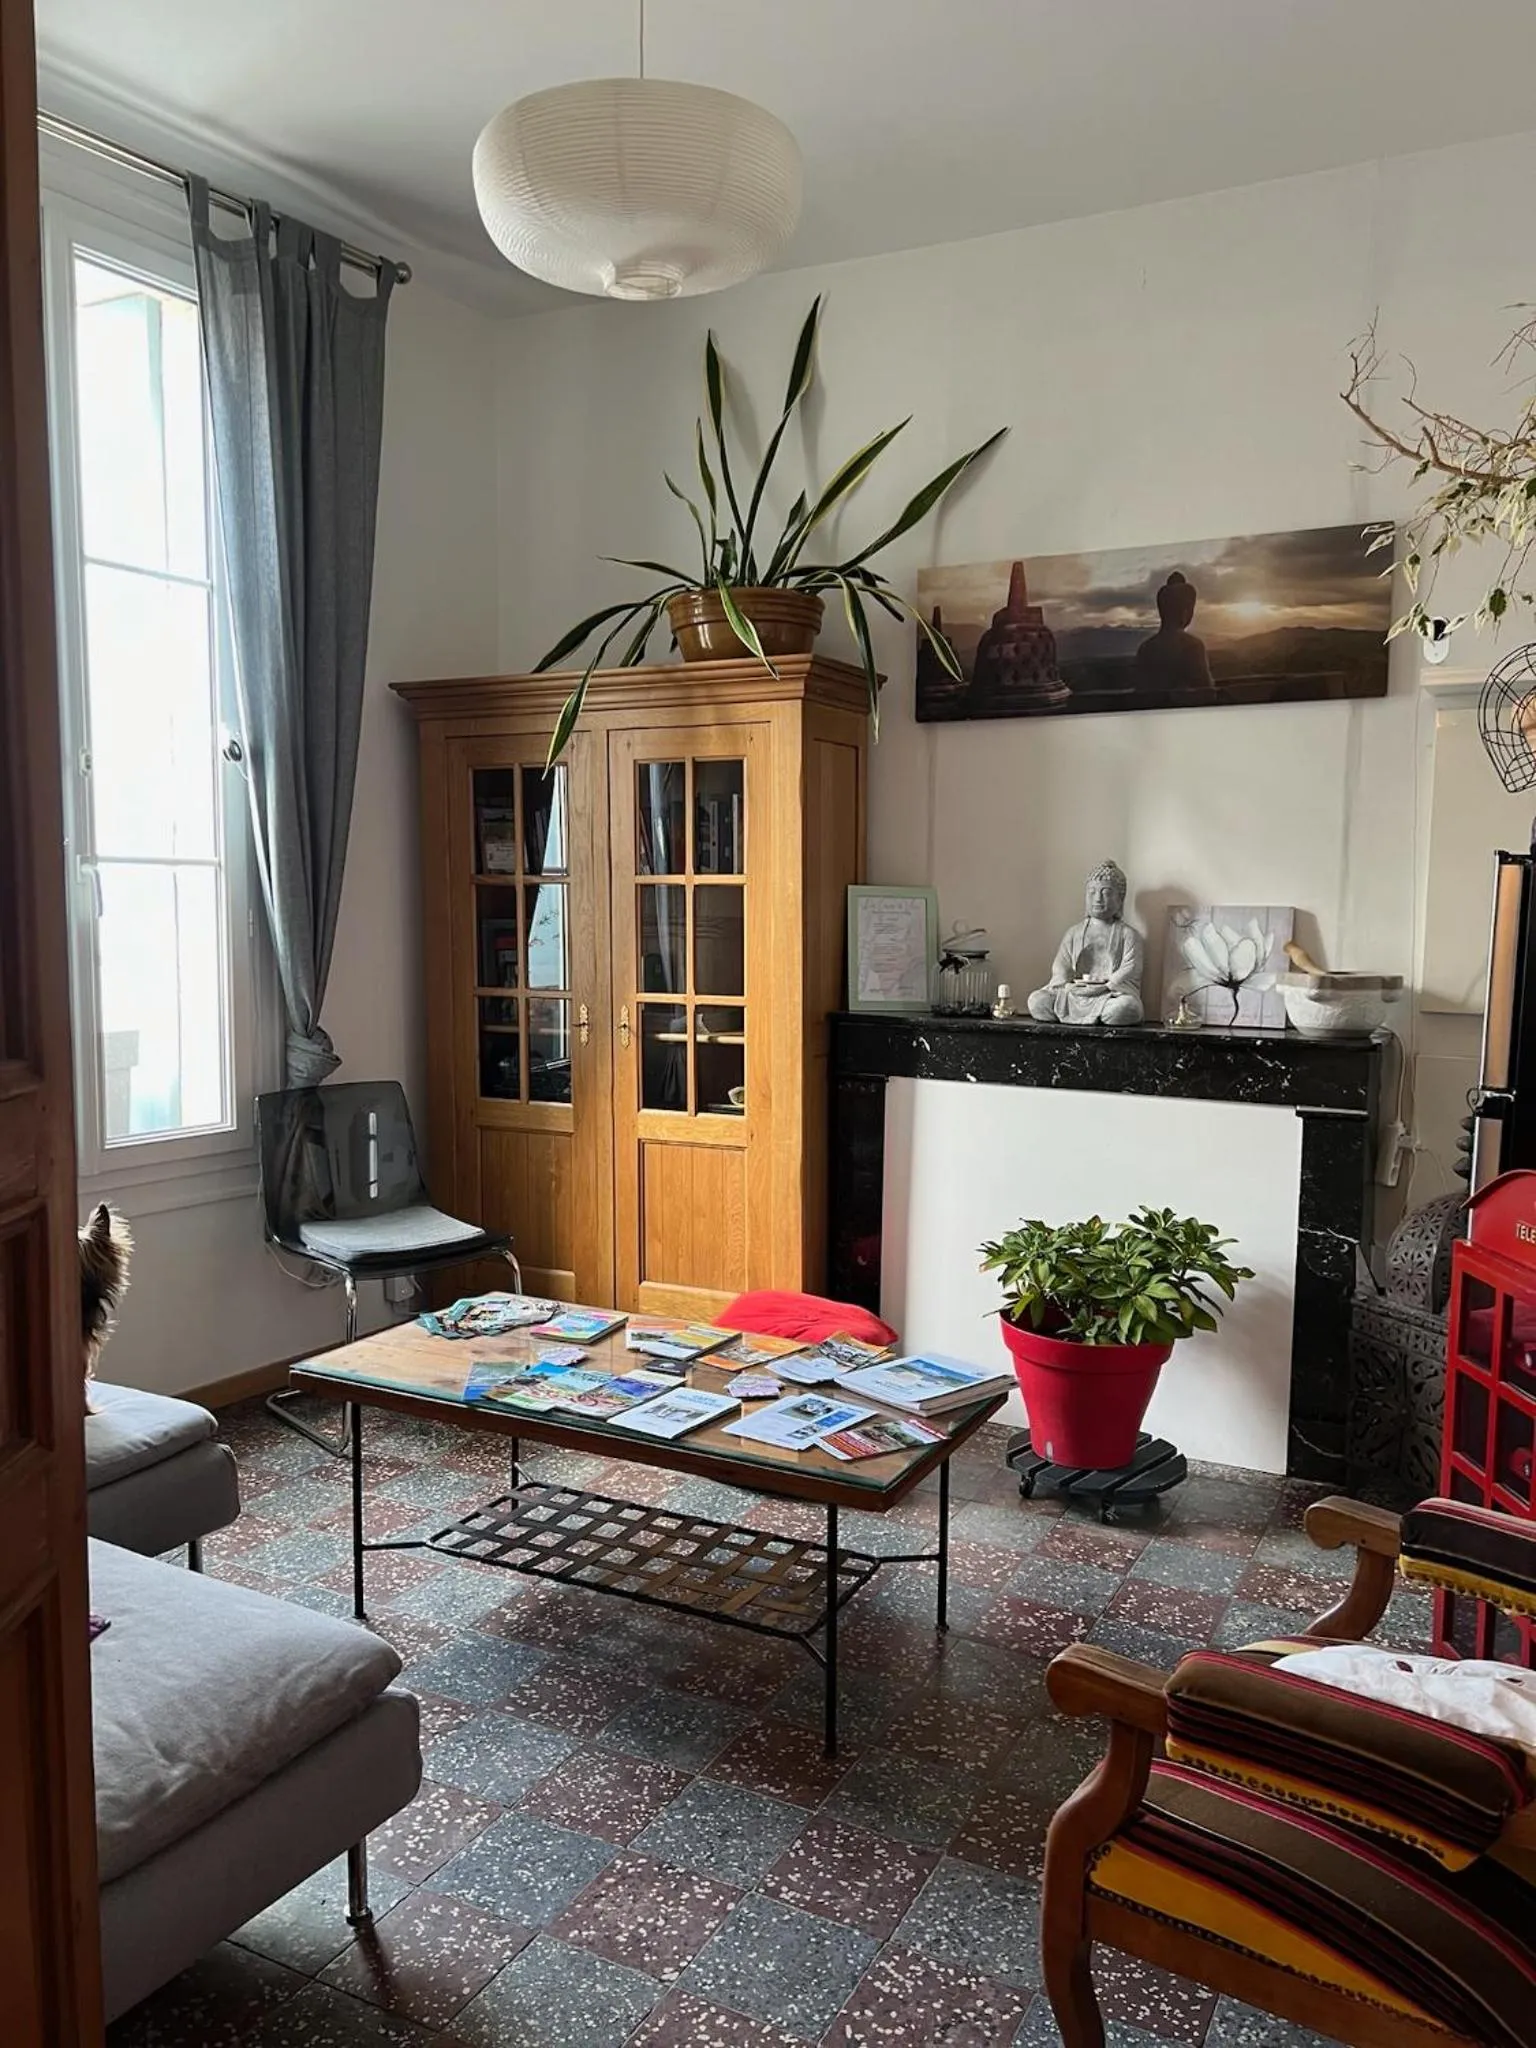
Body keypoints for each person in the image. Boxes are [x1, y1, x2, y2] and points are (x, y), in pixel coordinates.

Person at [1027, 860, 1145, 1025]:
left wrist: (1107, 985)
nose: (1098, 898)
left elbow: (1131, 968)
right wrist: (1067, 984)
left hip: (1109, 995)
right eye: (1092, 892)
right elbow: (1061, 966)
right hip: (1074, 994)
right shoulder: (1074, 933)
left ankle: (1103, 1014)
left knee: (1126, 1008)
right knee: (1037, 1001)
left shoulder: (1128, 935)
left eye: (1106, 893)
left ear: (1120, 899)